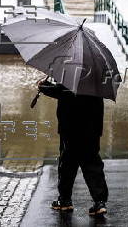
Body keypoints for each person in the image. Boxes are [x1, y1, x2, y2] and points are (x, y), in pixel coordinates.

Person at [38, 79, 108, 216]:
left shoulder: (69, 70)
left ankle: (64, 200)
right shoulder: (96, 73)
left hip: (71, 126)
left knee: (67, 164)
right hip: (92, 127)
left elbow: (62, 92)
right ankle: (99, 202)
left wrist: (43, 86)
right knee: (92, 163)